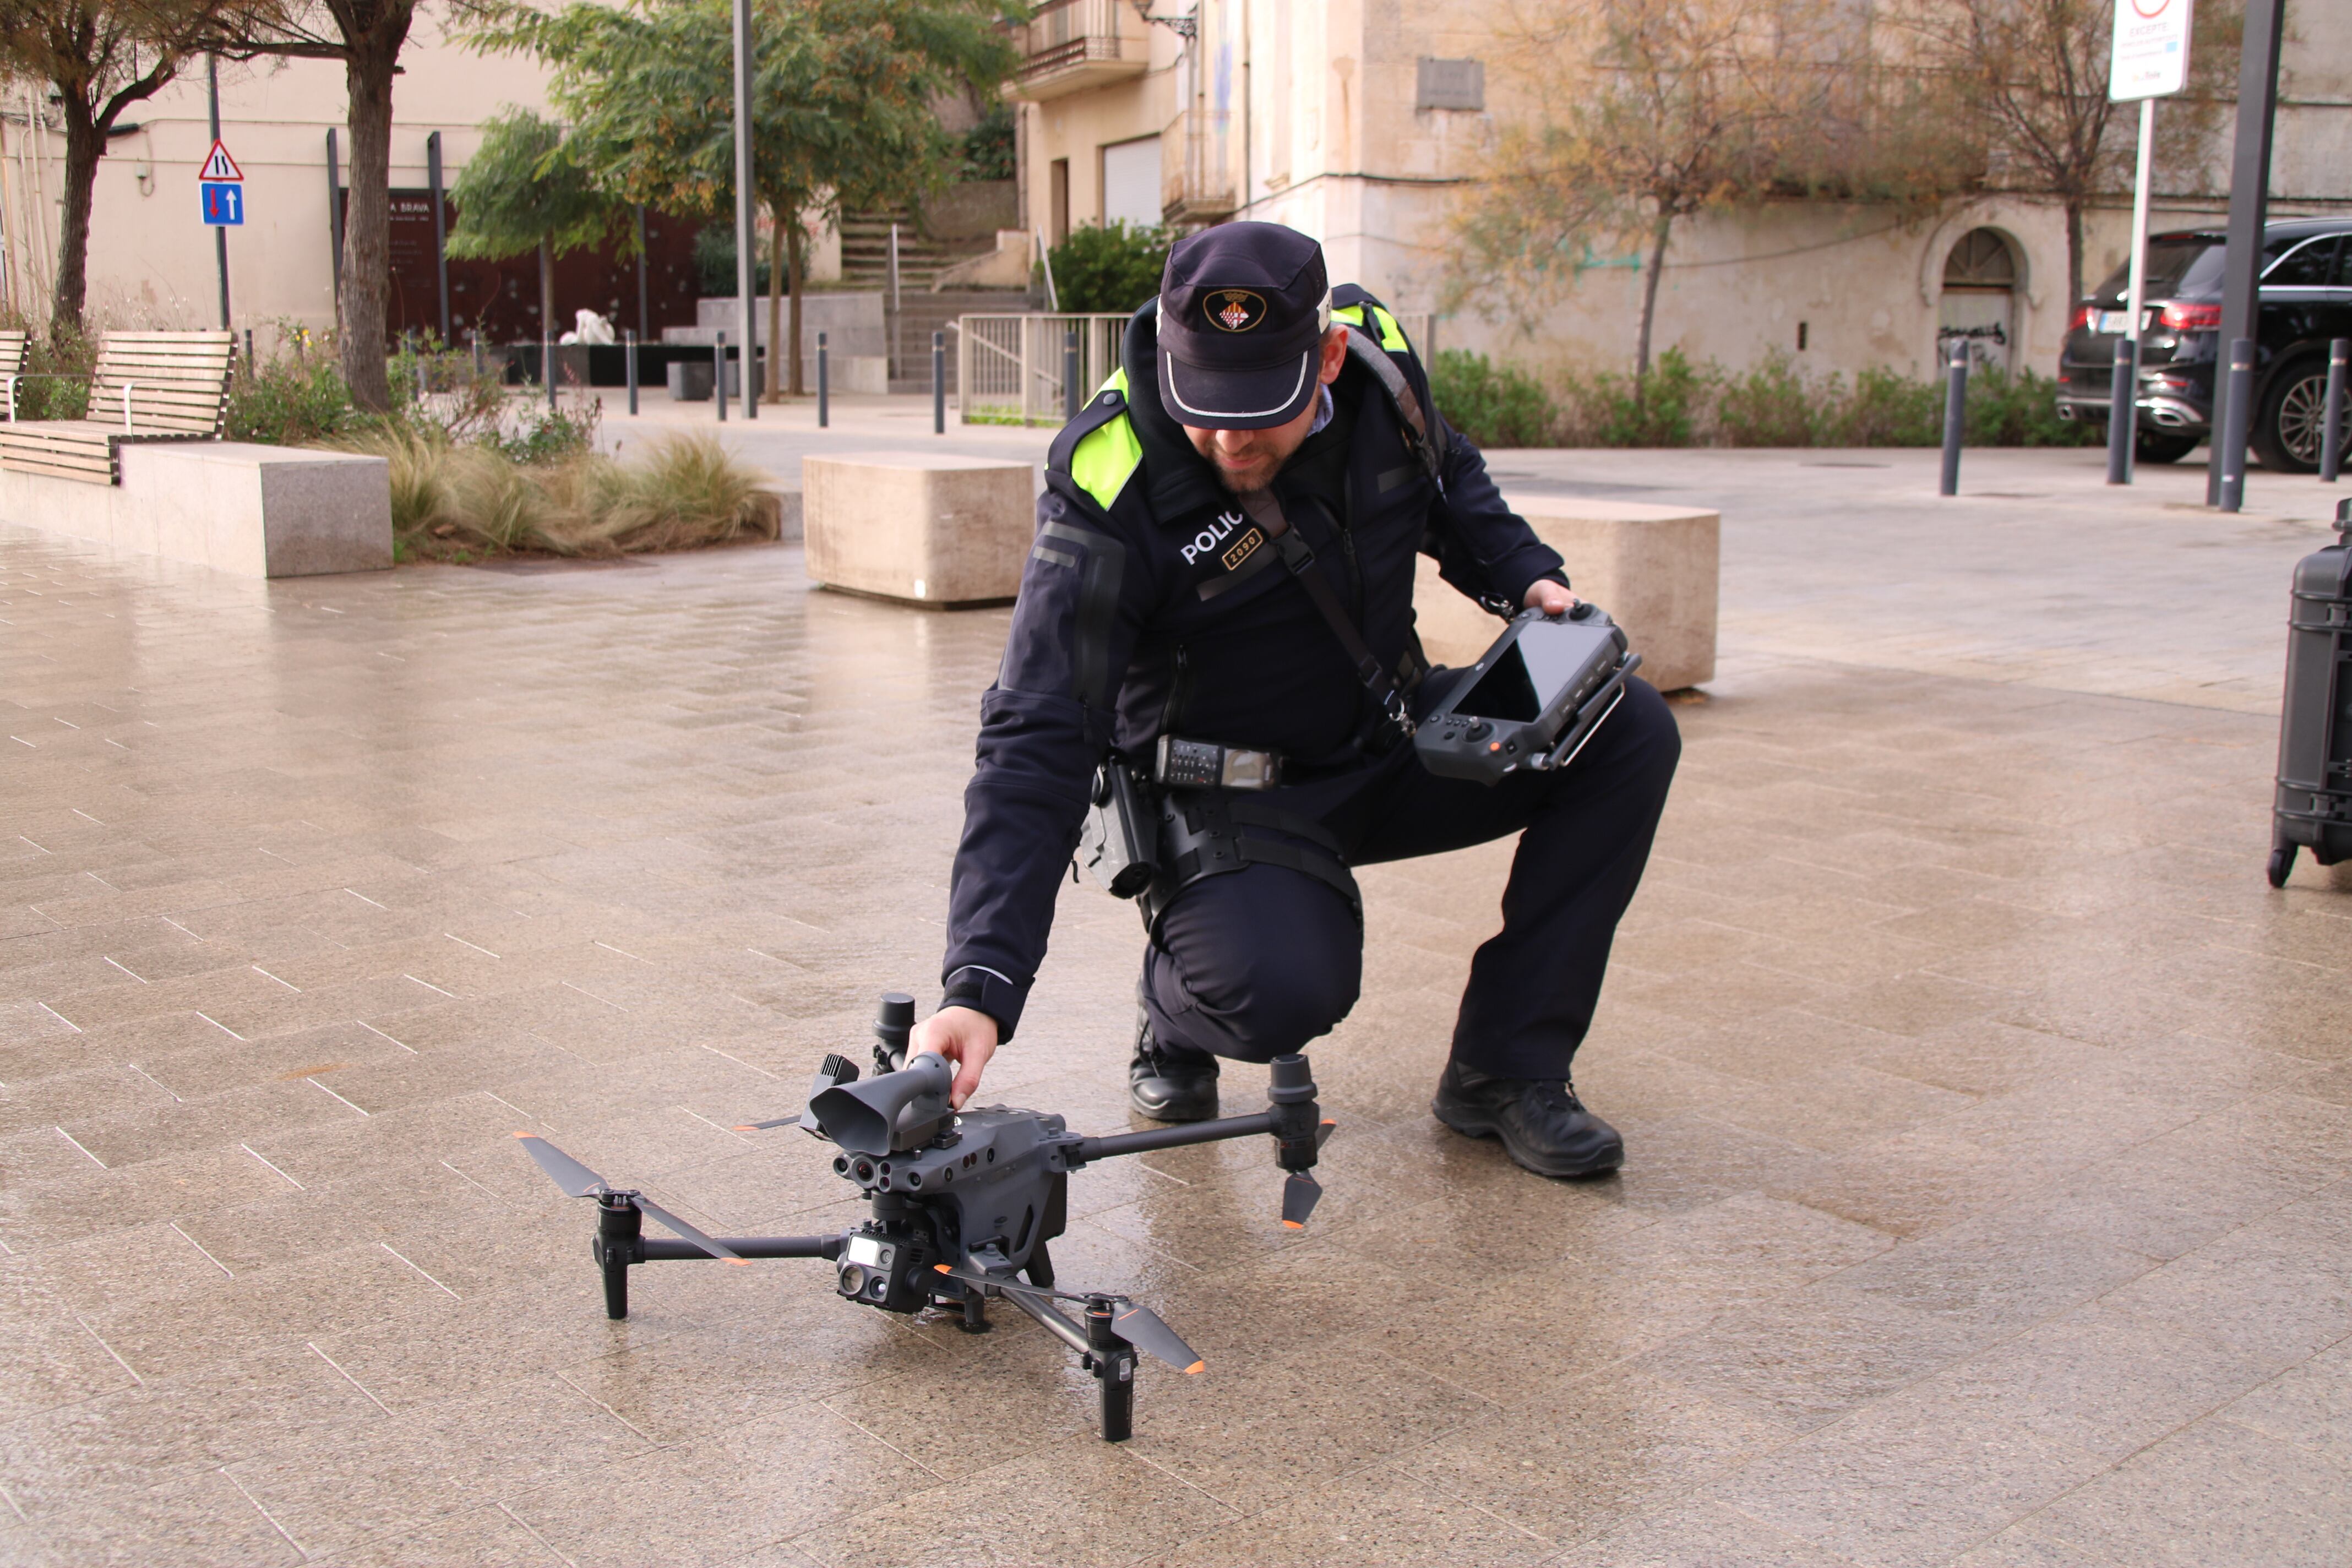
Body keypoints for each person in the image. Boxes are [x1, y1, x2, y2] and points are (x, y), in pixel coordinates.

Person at [908, 222, 1679, 1178]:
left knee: (1627, 730)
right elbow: (1036, 732)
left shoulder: (1378, 368)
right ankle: (1172, 998)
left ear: (1322, 358)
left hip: (1385, 740)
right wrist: (980, 981)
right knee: (1276, 993)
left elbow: (1447, 476)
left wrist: (1527, 577)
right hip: (1227, 793)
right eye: (1206, 405)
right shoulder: (1109, 481)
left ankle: (1506, 1068)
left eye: (1258, 407)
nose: (1228, 437)